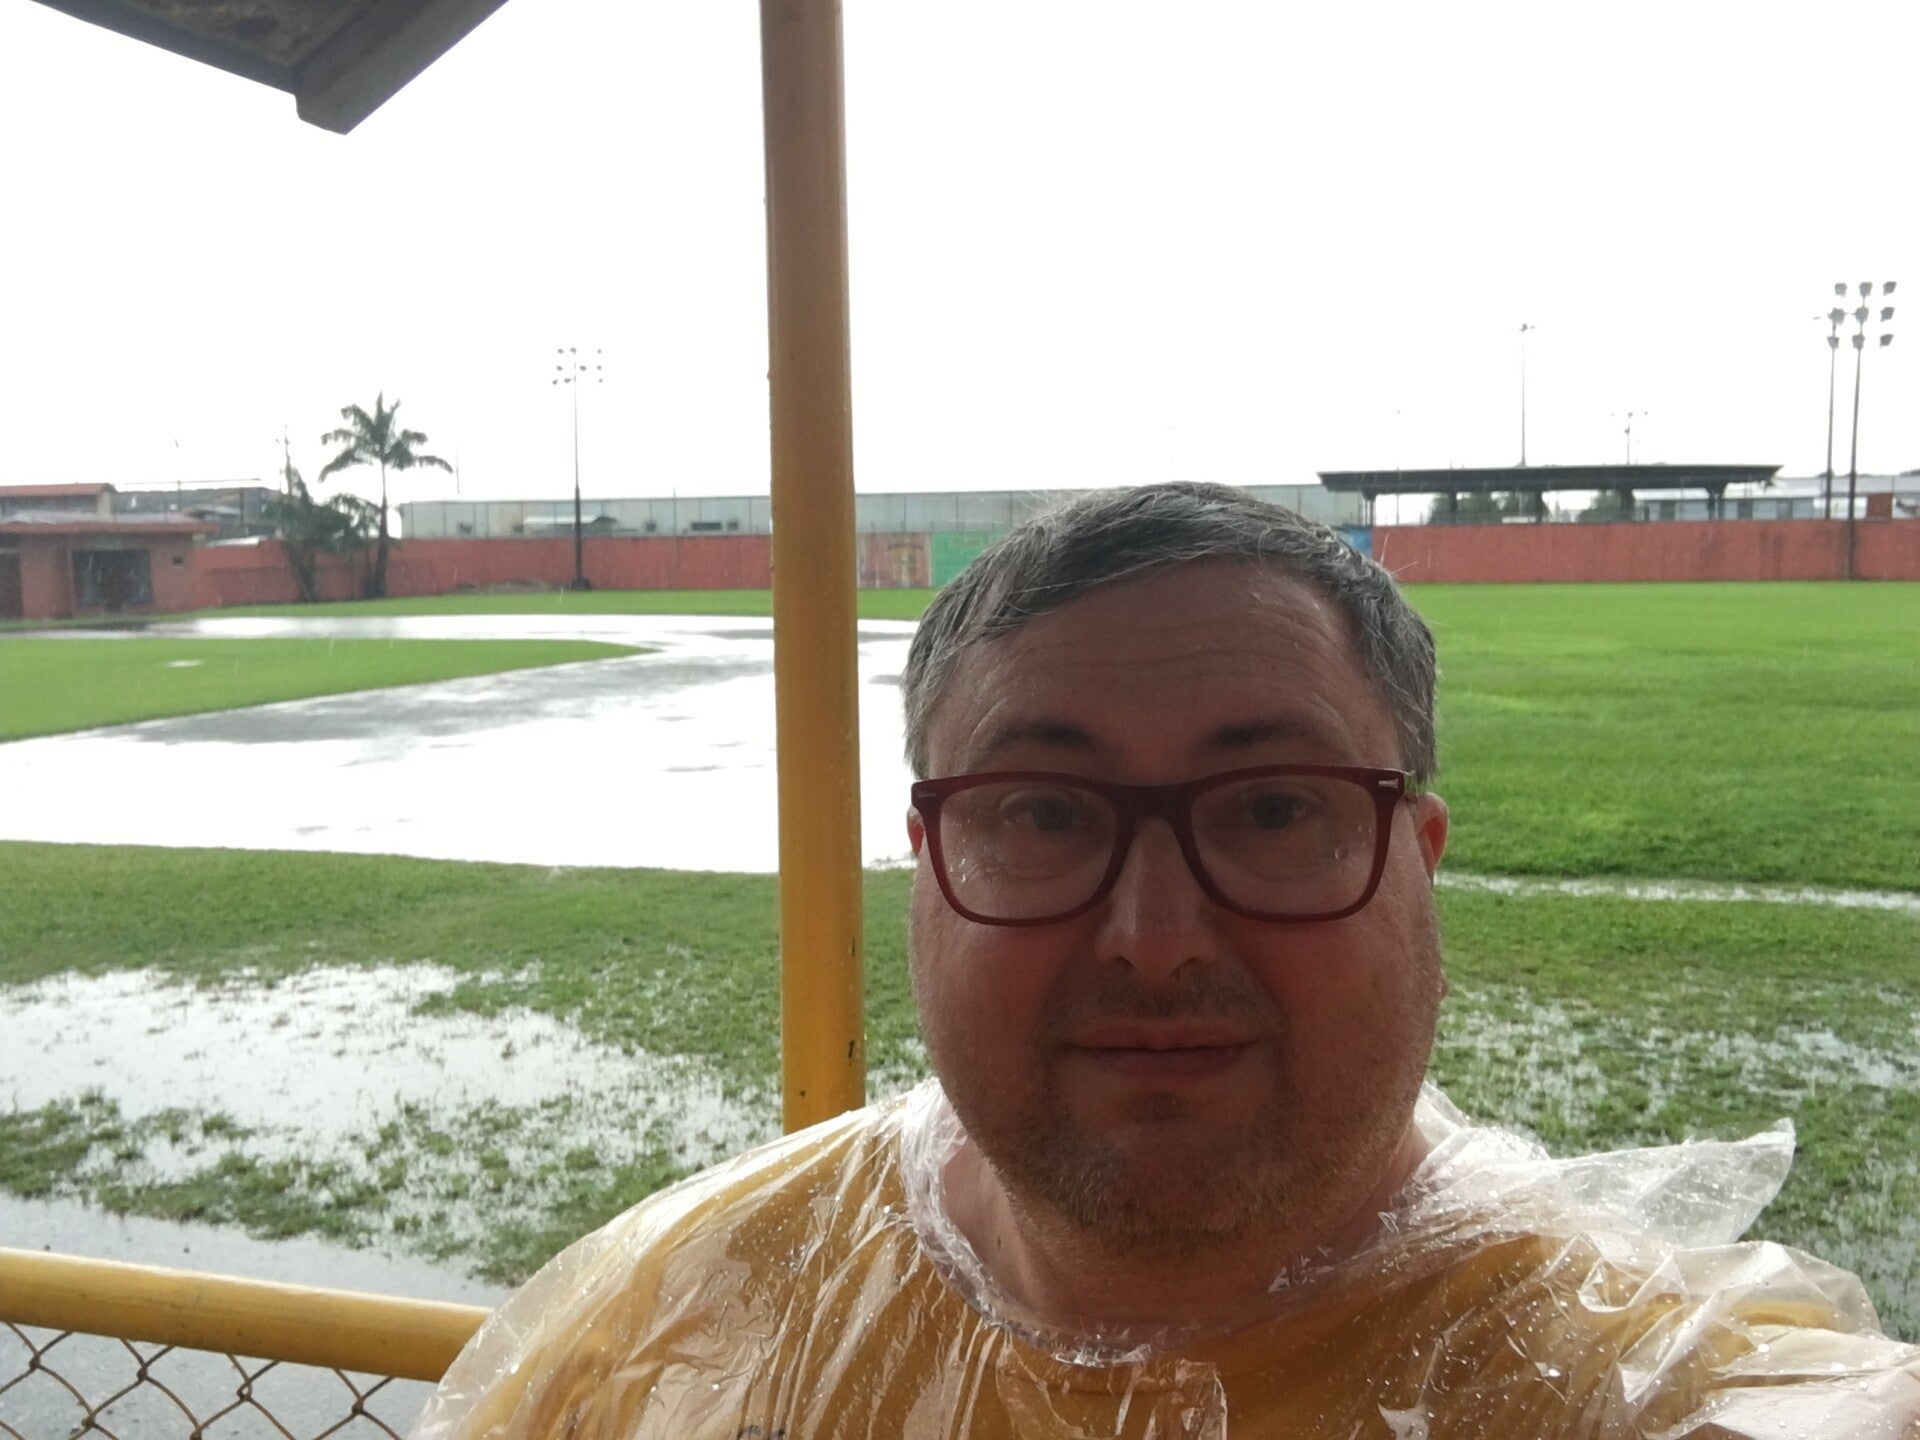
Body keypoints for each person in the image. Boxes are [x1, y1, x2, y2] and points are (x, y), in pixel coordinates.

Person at [414, 483, 1919, 1439]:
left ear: (1418, 859)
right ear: (927, 864)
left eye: (1271, 810)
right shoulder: (690, 1307)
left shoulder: (1657, 1391)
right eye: (1043, 812)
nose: (1153, 941)